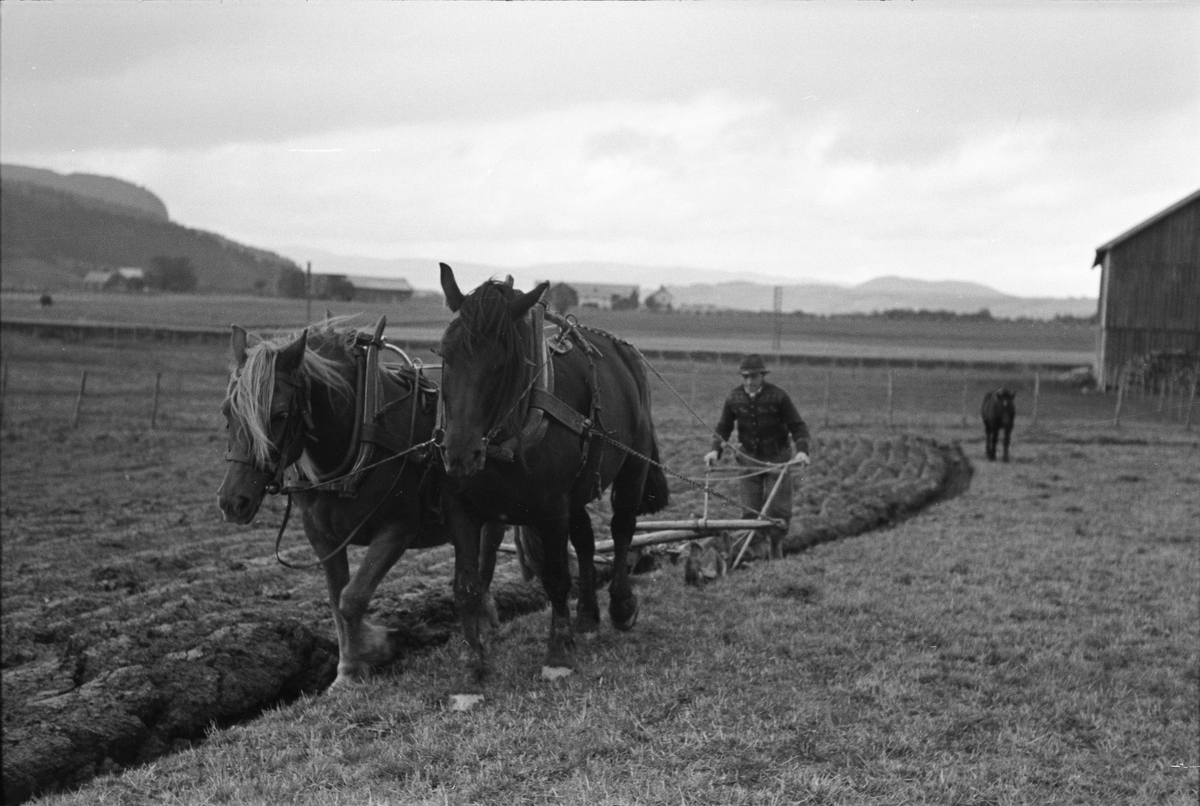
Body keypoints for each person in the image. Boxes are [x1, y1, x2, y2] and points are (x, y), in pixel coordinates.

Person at [703, 354, 810, 560]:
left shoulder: (778, 397)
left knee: (778, 510)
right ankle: (754, 552)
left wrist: (802, 451)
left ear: (762, 376)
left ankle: (776, 544)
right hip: (748, 458)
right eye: (745, 377)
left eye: (754, 377)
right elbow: (723, 427)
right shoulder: (734, 397)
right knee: (749, 510)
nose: (749, 382)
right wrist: (715, 449)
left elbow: (797, 425)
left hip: (777, 458)